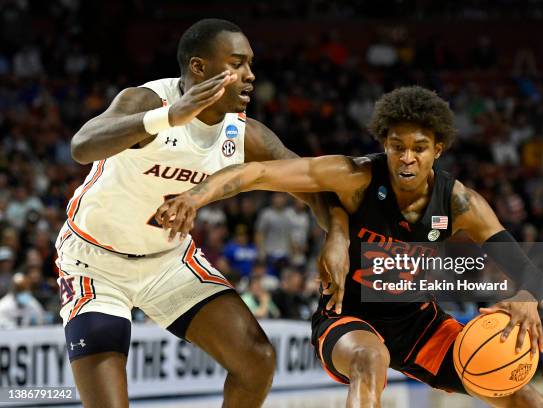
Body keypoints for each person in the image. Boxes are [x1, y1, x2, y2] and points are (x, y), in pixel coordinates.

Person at [157, 86, 543, 407]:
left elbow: (528, 272)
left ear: (438, 149)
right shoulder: (356, 176)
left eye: (419, 147)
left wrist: (527, 297)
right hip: (347, 317)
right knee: (370, 359)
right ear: (384, 143)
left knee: (518, 393)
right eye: (398, 146)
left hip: (419, 324)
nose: (407, 158)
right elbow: (258, 172)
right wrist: (195, 197)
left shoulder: (459, 203)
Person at [57, 18, 348, 408]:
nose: (250, 75)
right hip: (95, 262)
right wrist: (168, 118)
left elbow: (315, 191)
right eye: (237, 64)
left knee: (256, 360)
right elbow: (82, 145)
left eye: (251, 65)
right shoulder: (147, 102)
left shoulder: (244, 135)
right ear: (199, 67)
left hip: (168, 262)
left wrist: (339, 239)